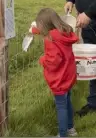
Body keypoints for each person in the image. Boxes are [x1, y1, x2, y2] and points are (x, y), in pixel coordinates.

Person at [29, 8, 79, 137]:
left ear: (46, 26)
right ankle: (70, 128)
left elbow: (53, 60)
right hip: (68, 75)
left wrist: (42, 60)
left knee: (61, 106)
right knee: (67, 102)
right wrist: (34, 30)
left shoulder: (50, 39)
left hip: (59, 78)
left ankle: (62, 134)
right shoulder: (64, 33)